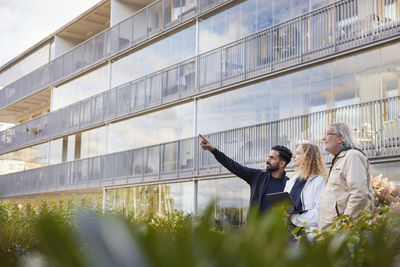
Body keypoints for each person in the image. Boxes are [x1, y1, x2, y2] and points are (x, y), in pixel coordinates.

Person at [199, 134, 292, 214]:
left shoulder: (289, 184)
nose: (267, 160)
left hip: (277, 234)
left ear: (282, 163)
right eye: (268, 157)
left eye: (272, 158)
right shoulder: (257, 176)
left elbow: (291, 211)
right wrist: (213, 150)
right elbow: (232, 165)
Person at [318, 123, 373, 232]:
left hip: (342, 233)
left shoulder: (352, 156)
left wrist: (345, 225)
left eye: (328, 134)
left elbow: (359, 194)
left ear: (340, 138)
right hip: (331, 232)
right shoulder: (340, 159)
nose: (323, 138)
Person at [283, 142, 327, 241]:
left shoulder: (319, 181)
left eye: (298, 153)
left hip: (309, 236)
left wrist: (293, 217)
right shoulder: (291, 182)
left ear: (308, 157)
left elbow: (319, 213)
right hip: (289, 233)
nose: (294, 156)